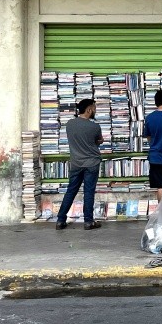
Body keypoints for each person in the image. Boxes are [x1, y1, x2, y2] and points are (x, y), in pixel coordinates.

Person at [56, 98, 103, 230]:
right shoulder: (94, 126)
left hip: (76, 163)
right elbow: (99, 140)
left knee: (71, 190)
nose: (95, 111)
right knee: (89, 191)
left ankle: (60, 220)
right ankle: (88, 221)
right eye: (94, 108)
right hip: (92, 163)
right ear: (89, 109)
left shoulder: (70, 124)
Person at [143, 89, 162, 202]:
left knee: (160, 187)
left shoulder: (149, 118)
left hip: (156, 157)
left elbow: (148, 138)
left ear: (155, 102)